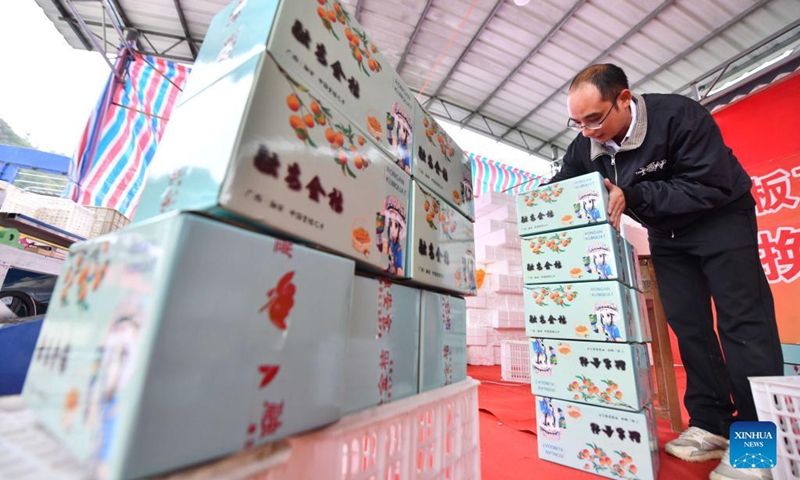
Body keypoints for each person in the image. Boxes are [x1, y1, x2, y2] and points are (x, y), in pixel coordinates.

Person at [549, 63, 782, 480]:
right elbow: (562, 188)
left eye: (595, 118)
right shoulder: (585, 147)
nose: (586, 131)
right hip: (667, 234)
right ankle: (711, 424)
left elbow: (709, 184)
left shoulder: (679, 116)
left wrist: (633, 194)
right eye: (577, 121)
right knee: (688, 325)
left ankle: (757, 447)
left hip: (721, 218)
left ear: (624, 99)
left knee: (744, 325)